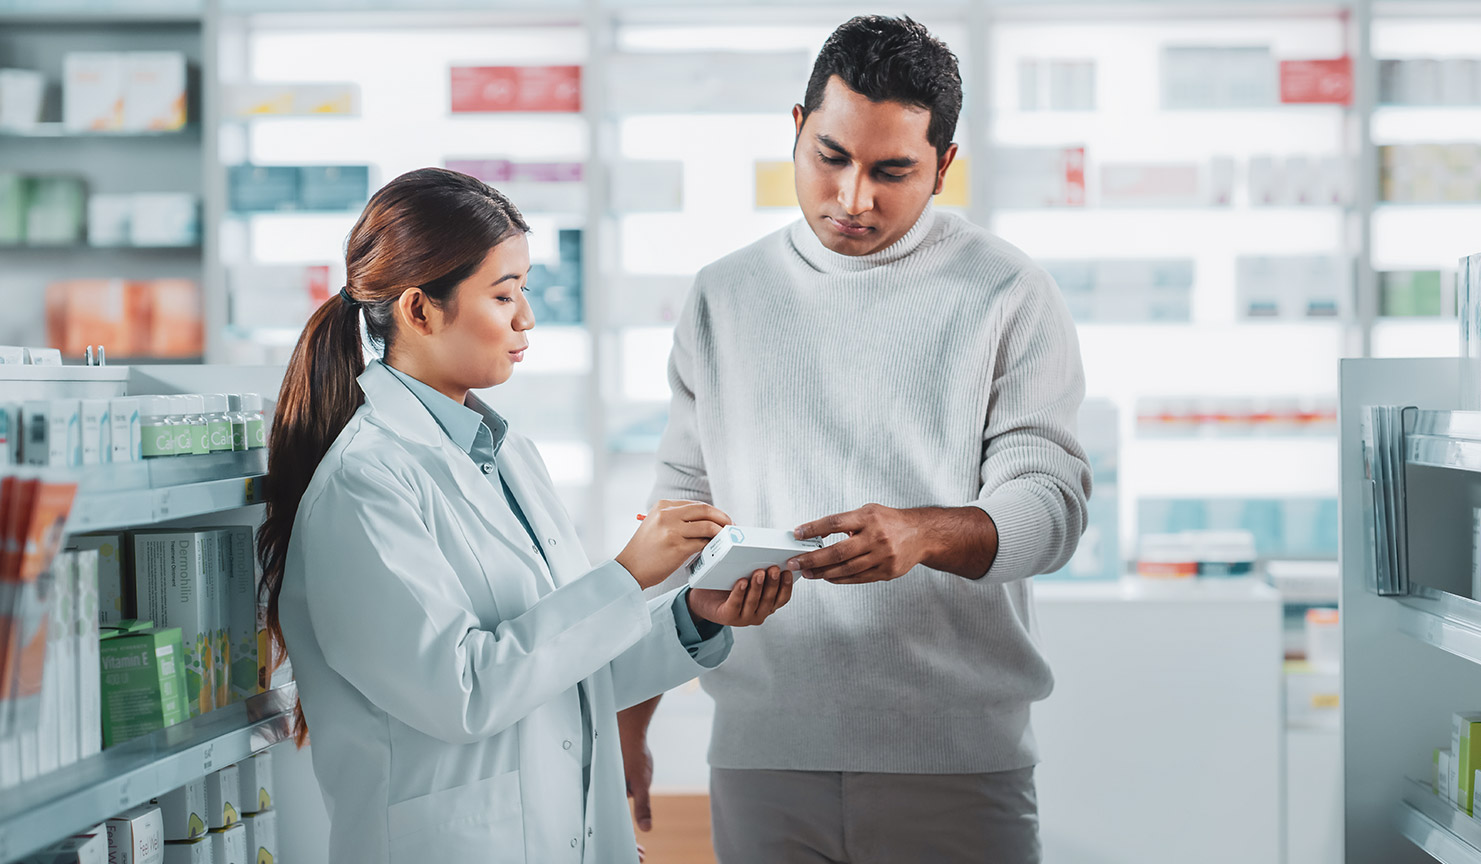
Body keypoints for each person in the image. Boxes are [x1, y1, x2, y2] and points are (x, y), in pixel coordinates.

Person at [618, 16, 1092, 864]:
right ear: (796, 129)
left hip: (955, 767)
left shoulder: (1008, 293)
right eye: (830, 157)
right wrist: (630, 713)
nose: (853, 198)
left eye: (892, 171)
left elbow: (1049, 506)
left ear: (944, 166)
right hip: (764, 754)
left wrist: (923, 534)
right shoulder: (722, 296)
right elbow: (676, 518)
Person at [256, 167, 793, 863]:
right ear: (420, 311)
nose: (526, 319)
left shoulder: (509, 459)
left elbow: (561, 667)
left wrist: (694, 613)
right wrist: (627, 575)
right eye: (503, 294)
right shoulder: (364, 486)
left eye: (526, 291)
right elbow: (463, 692)